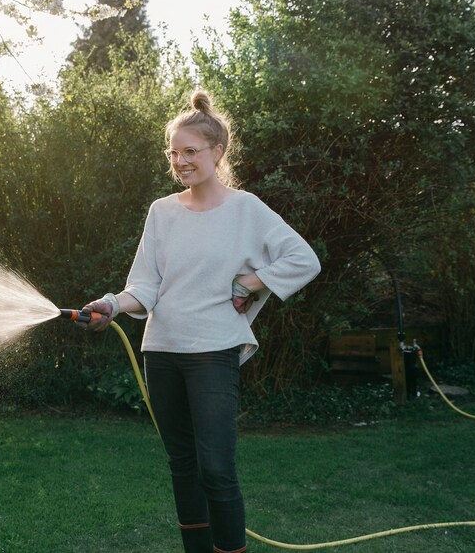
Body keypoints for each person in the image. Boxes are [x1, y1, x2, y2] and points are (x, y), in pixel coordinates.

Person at [80, 89, 321, 553]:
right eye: (174, 153)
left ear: (218, 151)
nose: (181, 161)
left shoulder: (246, 209)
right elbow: (146, 286)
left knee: (216, 468)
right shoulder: (162, 212)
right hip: (162, 352)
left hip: (213, 352)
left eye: (190, 151)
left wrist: (254, 282)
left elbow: (303, 259)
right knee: (183, 463)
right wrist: (111, 304)